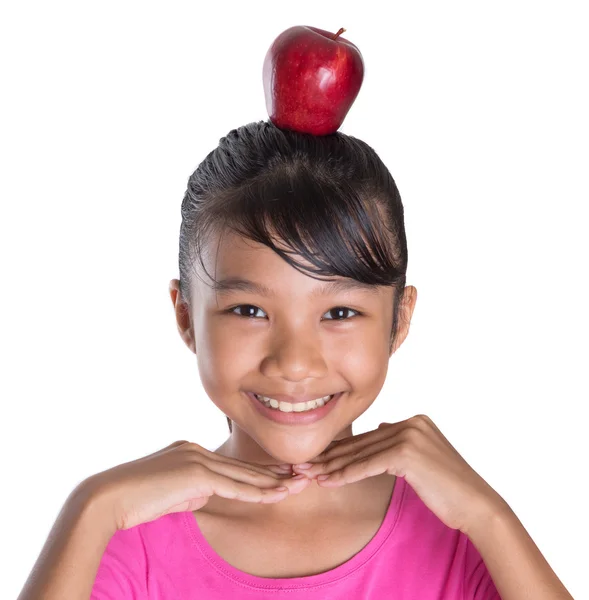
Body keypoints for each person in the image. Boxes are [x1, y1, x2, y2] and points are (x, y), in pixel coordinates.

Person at [17, 120, 573, 599]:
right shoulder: (125, 537)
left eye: (338, 314)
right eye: (249, 310)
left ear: (399, 319)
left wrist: (490, 517)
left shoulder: (460, 538)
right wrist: (88, 508)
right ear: (186, 316)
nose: (295, 363)